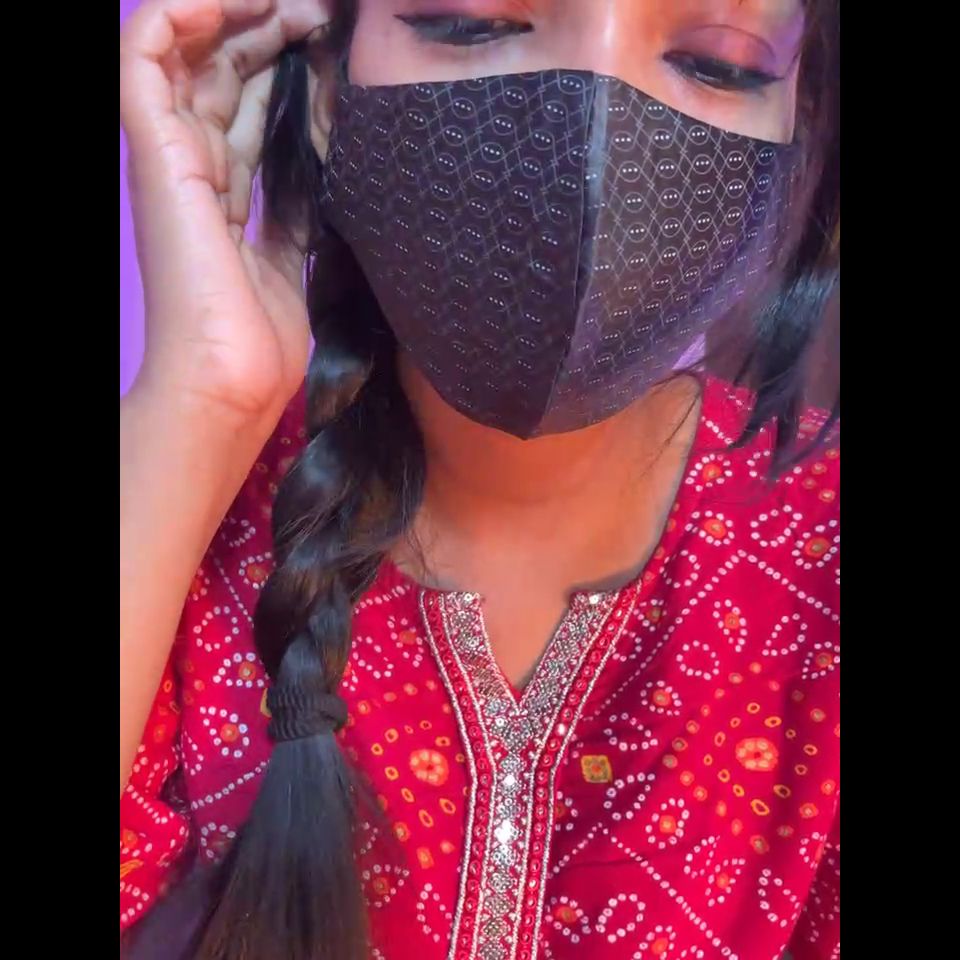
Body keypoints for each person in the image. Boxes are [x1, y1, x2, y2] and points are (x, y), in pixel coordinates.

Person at [119, 1, 840, 958]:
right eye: (472, 22)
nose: (592, 139)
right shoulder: (190, 494)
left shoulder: (819, 546)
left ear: (791, 145)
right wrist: (200, 398)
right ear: (332, 92)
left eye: (720, 64)